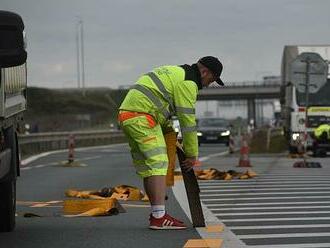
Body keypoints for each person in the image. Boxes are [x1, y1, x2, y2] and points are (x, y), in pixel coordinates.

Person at [118, 56, 224, 230]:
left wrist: (167, 129)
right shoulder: (188, 83)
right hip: (143, 118)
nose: (209, 84)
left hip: (128, 116)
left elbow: (158, 103)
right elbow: (187, 122)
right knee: (159, 163)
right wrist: (191, 154)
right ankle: (159, 218)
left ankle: (156, 214)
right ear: (204, 71)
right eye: (211, 79)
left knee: (148, 168)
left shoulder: (176, 72)